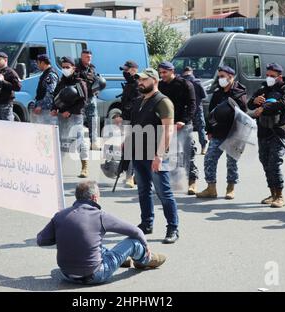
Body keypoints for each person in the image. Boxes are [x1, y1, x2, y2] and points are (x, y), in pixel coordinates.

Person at [37, 181, 166, 285]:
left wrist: (63, 232)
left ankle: (123, 260)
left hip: (66, 274)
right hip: (94, 275)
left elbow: (41, 240)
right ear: (94, 198)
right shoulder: (99, 216)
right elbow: (136, 231)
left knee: (94, 245)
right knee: (133, 243)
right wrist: (146, 246)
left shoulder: (60, 215)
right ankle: (146, 258)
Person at [129, 68, 179, 244]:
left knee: (163, 193)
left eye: (144, 79)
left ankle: (173, 228)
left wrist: (159, 156)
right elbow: (136, 125)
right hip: (138, 153)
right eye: (139, 80)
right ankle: (146, 224)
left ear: (154, 81)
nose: (140, 82)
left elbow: (168, 130)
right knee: (143, 191)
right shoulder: (139, 100)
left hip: (156, 155)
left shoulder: (163, 102)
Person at [196, 65, 247, 200]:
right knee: (209, 158)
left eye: (223, 76)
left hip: (234, 134)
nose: (220, 79)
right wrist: (209, 130)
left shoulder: (239, 94)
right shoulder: (218, 93)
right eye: (219, 77)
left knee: (232, 162)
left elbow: (244, 115)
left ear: (231, 77)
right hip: (218, 133)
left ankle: (230, 188)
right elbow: (211, 113)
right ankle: (211, 188)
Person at [248, 63, 285, 208]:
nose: (269, 78)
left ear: (279, 77)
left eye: (272, 76)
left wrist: (264, 107)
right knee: (265, 162)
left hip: (278, 132)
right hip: (263, 131)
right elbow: (250, 104)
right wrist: (254, 102)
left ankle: (280, 196)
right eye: (267, 75)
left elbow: (284, 104)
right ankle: (272, 193)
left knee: (275, 163)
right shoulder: (263, 89)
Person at [158, 61, 198, 196]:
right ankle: (175, 182)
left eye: (165, 72)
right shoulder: (160, 85)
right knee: (170, 154)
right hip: (167, 124)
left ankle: (192, 182)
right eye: (160, 72)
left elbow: (193, 105)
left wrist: (184, 121)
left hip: (183, 125)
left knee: (188, 154)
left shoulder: (185, 84)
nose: (162, 75)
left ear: (172, 71)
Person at [51, 56, 90, 178]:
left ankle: (84, 167)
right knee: (61, 142)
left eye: (67, 67)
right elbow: (55, 97)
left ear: (73, 68)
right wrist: (54, 108)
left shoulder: (79, 82)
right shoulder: (61, 82)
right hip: (61, 116)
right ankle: (59, 168)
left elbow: (83, 101)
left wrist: (70, 111)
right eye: (63, 67)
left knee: (79, 141)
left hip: (75, 116)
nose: (65, 69)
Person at [112, 60, 141, 188]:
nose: (125, 72)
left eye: (127, 70)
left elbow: (136, 103)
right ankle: (133, 176)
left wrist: (124, 115)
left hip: (135, 121)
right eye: (124, 70)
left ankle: (130, 177)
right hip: (127, 120)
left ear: (134, 70)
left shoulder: (138, 83)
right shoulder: (130, 83)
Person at [76, 49, 100, 150]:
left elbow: (97, 81)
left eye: (90, 57)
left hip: (91, 98)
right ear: (81, 57)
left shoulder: (92, 68)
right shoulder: (77, 69)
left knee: (93, 120)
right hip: (80, 99)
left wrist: (97, 88)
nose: (89, 58)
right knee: (79, 121)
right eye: (86, 57)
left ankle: (93, 142)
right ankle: (80, 143)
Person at [182, 66, 208, 155]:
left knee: (187, 129)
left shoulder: (180, 82)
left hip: (186, 109)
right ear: (191, 72)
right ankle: (203, 147)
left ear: (183, 72)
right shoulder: (197, 82)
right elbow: (204, 96)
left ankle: (190, 147)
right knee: (201, 127)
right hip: (197, 108)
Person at [0, 51, 22, 121]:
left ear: (5, 60)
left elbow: (18, 87)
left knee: (7, 127)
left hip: (6, 104)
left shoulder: (11, 72)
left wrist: (3, 81)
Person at [31, 54, 58, 123]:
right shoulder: (45, 74)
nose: (37, 65)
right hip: (43, 109)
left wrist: (41, 106)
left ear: (42, 63)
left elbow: (50, 92)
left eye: (38, 63)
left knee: (47, 131)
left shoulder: (50, 74)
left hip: (47, 110)